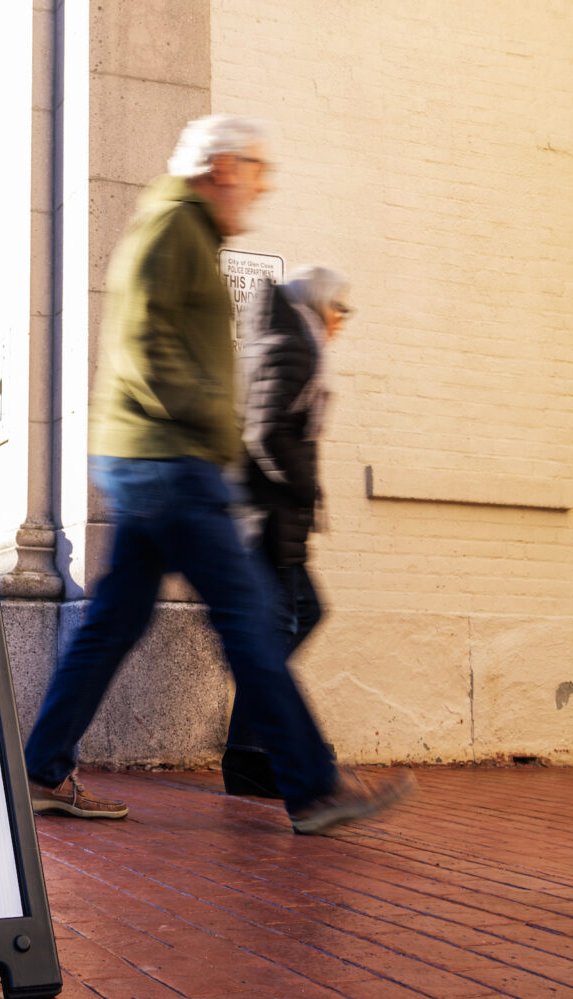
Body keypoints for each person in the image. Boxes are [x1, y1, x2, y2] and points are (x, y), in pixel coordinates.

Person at [24, 115, 413, 835]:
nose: (260, 190)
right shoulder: (173, 227)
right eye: (256, 172)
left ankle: (42, 769)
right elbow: (144, 346)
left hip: (149, 457)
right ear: (224, 169)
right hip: (171, 460)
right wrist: (210, 433)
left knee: (114, 623)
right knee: (250, 616)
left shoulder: (186, 231)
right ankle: (314, 788)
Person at [222, 266, 350, 798]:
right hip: (268, 520)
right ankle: (286, 763)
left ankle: (250, 755)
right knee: (272, 638)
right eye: (342, 307)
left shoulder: (294, 339)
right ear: (322, 303)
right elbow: (267, 431)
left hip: (274, 519)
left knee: (282, 629)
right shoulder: (294, 343)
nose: (344, 320)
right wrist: (303, 487)